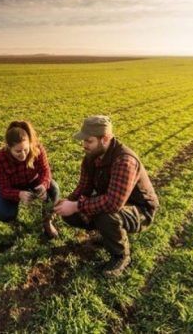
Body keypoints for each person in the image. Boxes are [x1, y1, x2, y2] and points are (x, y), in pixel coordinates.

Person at [54, 115, 159, 277]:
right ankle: (107, 235)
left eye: (89, 141)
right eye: (84, 141)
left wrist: (77, 206)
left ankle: (121, 256)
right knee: (72, 214)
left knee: (105, 214)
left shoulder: (124, 161)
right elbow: (83, 188)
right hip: (114, 202)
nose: (84, 145)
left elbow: (112, 203)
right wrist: (66, 203)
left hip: (140, 210)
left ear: (105, 139)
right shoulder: (91, 157)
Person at [0, 120, 59, 238]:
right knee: (5, 214)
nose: (23, 155)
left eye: (26, 149)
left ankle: (47, 221)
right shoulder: (0, 157)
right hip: (12, 186)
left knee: (53, 188)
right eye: (18, 151)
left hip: (32, 180)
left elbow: (45, 171)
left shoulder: (38, 149)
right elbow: (3, 187)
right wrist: (18, 194)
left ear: (30, 143)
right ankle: (12, 220)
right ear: (8, 147)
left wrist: (43, 185)